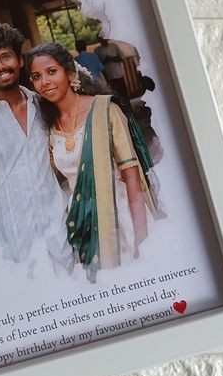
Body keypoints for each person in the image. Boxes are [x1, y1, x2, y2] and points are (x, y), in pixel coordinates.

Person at [26, 42, 161, 278]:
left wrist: (142, 239)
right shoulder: (48, 127)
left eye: (51, 71)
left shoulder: (105, 110)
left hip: (121, 218)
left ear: (69, 72)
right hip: (83, 222)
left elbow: (131, 176)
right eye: (36, 77)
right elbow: (48, 180)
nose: (44, 82)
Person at [0, 22, 73, 269]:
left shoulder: (43, 105)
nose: (0, 66)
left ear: (20, 60)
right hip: (18, 244)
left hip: (61, 231)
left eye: (6, 57)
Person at [96, 35, 129, 100]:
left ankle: (128, 105)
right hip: (109, 76)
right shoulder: (97, 50)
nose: (102, 39)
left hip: (119, 74)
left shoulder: (113, 46)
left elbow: (122, 58)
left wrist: (113, 58)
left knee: (124, 93)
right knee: (116, 95)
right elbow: (99, 64)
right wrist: (105, 60)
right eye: (99, 38)